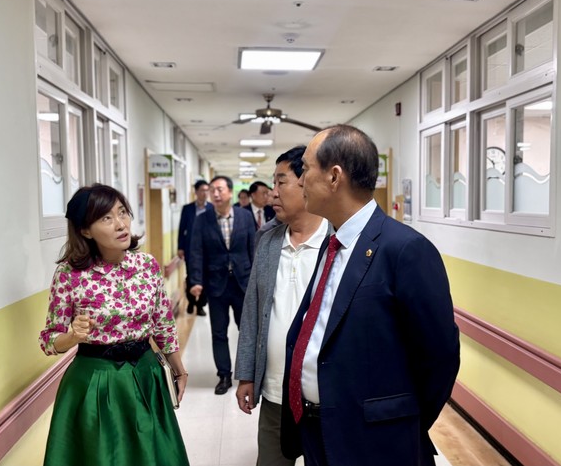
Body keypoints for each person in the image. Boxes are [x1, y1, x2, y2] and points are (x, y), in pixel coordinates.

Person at [280, 125, 460, 466]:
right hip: (317, 431)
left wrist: (399, 422)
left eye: (306, 168)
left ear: (334, 177)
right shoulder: (333, 244)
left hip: (376, 443)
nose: (300, 180)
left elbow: (440, 356)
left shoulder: (405, 249)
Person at [39, 184, 189, 466]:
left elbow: (163, 325)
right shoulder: (70, 274)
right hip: (95, 381)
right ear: (86, 230)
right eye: (106, 218)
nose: (120, 224)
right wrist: (72, 337)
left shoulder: (146, 265)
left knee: (152, 455)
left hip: (145, 374)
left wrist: (179, 369)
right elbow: (49, 339)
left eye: (122, 212)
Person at [235, 146, 330, 466]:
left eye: (280, 182)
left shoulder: (338, 243)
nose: (272, 193)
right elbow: (252, 313)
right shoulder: (268, 242)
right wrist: (246, 375)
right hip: (275, 392)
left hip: (324, 395)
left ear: (307, 183)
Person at [188, 175, 255, 394]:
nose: (215, 194)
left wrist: (257, 280)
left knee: (246, 331)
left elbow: (253, 249)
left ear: (230, 192)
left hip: (242, 283)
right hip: (216, 285)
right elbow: (196, 252)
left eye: (219, 189)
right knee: (219, 332)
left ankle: (247, 373)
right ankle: (224, 375)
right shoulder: (202, 219)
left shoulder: (245, 217)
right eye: (212, 190)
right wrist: (196, 281)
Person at [177, 179, 213, 316]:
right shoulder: (188, 209)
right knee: (191, 276)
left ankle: (201, 305)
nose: (205, 193)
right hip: (190, 248)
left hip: (208, 249)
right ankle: (191, 301)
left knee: (206, 276)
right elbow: (182, 229)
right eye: (202, 190)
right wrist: (180, 247)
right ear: (196, 192)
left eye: (207, 190)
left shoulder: (212, 208)